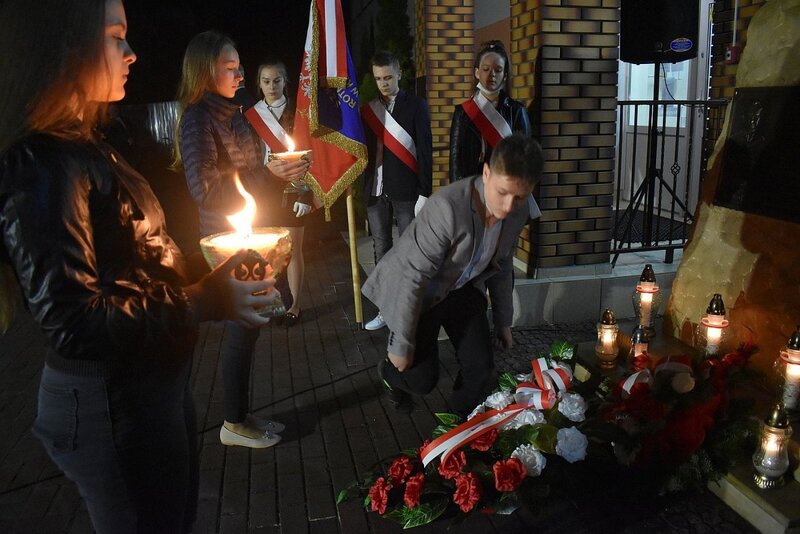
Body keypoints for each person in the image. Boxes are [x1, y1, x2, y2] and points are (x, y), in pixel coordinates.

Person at [0, 1, 273, 531]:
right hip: (112, 403)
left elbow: (136, 258)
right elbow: (73, 322)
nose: (131, 52)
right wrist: (203, 298)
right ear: (62, 46)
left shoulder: (87, 144)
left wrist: (211, 265)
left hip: (150, 390)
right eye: (115, 37)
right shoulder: (41, 163)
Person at [174, 31, 307, 448]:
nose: (239, 74)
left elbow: (254, 177)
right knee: (243, 324)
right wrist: (266, 175)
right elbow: (207, 190)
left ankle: (241, 415)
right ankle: (233, 423)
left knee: (252, 323)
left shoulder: (234, 114)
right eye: (229, 68)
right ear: (205, 72)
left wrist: (282, 173)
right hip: (226, 239)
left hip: (249, 233)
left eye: (239, 67)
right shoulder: (198, 119)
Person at [362, 133, 543, 417]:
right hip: (421, 290)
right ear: (486, 173)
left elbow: (503, 264)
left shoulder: (519, 211)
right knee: (421, 381)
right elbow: (413, 276)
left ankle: (454, 427)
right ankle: (388, 372)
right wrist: (400, 345)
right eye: (502, 193)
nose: (508, 206)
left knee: (481, 368)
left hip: (463, 287)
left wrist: (503, 322)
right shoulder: (447, 207)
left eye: (519, 197)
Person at [361, 51, 433, 331]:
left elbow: (425, 151)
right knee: (381, 250)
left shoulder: (416, 106)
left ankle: (408, 310)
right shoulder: (368, 110)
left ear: (399, 74)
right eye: (378, 78)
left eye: (388, 77)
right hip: (376, 190)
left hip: (406, 190)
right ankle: (385, 308)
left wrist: (425, 192)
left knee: (408, 252)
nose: (383, 83)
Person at [252, 60, 313, 327]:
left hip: (293, 188)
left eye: (277, 80)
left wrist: (307, 193)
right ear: (259, 83)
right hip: (263, 188)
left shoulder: (300, 112)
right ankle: (273, 302)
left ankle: (295, 306)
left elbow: (312, 156)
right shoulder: (251, 115)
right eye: (266, 81)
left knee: (293, 249)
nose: (271, 86)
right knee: (266, 250)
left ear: (285, 81)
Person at [449, 41, 531, 182]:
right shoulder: (463, 111)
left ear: (505, 75)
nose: (491, 74)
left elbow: (525, 155)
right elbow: (455, 158)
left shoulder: (517, 110)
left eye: (498, 70)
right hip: (473, 185)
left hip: (506, 184)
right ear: (477, 72)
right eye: (486, 69)